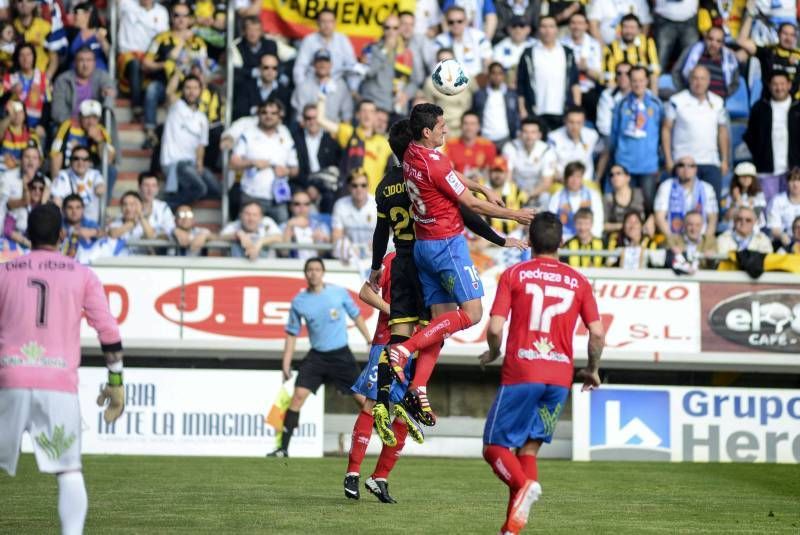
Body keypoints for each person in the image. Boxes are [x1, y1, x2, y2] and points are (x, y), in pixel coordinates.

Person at [376, 103, 533, 433]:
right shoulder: (435, 162)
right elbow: (471, 207)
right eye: (442, 126)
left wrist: (479, 184)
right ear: (427, 132)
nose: (447, 130)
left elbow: (450, 176)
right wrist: (515, 215)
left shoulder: (410, 157)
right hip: (448, 247)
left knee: (441, 324)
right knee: (473, 313)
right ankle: (404, 349)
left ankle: (418, 386)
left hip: (422, 248)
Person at [0, 203, 124, 535]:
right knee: (68, 469)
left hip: (8, 379)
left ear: (26, 235)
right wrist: (116, 382)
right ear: (61, 234)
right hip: (58, 384)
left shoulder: (4, 273)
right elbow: (109, 332)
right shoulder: (82, 274)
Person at [480, 211, 605, 535]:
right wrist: (591, 369)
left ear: (530, 241)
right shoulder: (579, 281)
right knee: (529, 450)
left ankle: (524, 486)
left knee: (494, 447)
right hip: (559, 379)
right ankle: (511, 531)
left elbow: (495, 328)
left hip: (522, 371)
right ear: (562, 242)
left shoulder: (514, 274)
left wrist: (493, 353)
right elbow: (597, 332)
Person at [269, 257, 372, 457]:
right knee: (297, 397)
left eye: (317, 269)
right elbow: (291, 333)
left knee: (363, 400)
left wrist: (369, 340)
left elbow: (356, 316)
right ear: (305, 273)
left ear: (323, 272)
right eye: (309, 269)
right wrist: (286, 364)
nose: (313, 273)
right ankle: (283, 449)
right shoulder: (299, 301)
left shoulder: (338, 293)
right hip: (316, 357)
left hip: (341, 355)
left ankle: (386, 440)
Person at [344, 251, 422, 504]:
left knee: (408, 413)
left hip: (418, 346)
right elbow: (366, 293)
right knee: (372, 403)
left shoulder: (433, 258)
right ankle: (353, 473)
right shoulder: (391, 259)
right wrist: (396, 312)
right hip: (387, 341)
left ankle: (379, 477)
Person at [141, 1, 208, 148]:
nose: (181, 19)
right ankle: (150, 131)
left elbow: (204, 67)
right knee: (152, 89)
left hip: (189, 86)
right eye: (177, 15)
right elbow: (146, 63)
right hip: (164, 82)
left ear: (190, 18)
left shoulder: (198, 42)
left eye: (185, 16)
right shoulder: (161, 38)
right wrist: (163, 64)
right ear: (171, 17)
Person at [662, 65, 730, 203]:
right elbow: (666, 129)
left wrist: (724, 159)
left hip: (710, 162)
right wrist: (668, 159)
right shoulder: (677, 101)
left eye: (702, 79)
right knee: (680, 206)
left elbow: (722, 131)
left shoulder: (718, 102)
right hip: (683, 162)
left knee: (711, 207)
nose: (699, 82)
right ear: (690, 80)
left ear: (709, 81)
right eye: (695, 78)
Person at [230, 99, 299, 224]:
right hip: (251, 196)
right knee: (248, 235)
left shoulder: (285, 134)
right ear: (258, 114)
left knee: (281, 235)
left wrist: (286, 171)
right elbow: (233, 162)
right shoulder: (248, 134)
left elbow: (295, 169)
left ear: (280, 115)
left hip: (278, 197)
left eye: (273, 113)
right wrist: (252, 162)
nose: (269, 116)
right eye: (264, 112)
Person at [160, 73, 220, 209]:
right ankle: (166, 206)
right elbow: (169, 92)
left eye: (195, 88)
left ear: (201, 90)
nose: (191, 91)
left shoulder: (202, 118)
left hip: (192, 164)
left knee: (217, 190)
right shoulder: (176, 107)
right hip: (174, 162)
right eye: (187, 87)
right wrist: (179, 69)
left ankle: (181, 193)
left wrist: (199, 163)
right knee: (200, 189)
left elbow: (201, 145)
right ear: (182, 90)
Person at [608, 66, 663, 211]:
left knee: (648, 206)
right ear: (629, 81)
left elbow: (662, 134)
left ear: (647, 81)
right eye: (634, 81)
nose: (638, 84)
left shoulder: (656, 105)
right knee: (625, 206)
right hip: (625, 165)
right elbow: (614, 134)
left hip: (648, 165)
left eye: (641, 80)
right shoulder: (621, 105)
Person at [517, 16, 581, 132]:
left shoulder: (567, 53)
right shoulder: (528, 54)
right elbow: (521, 85)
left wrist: (576, 109)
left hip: (562, 110)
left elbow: (575, 83)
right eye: (544, 26)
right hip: (536, 110)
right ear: (539, 29)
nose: (547, 30)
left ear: (557, 29)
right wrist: (522, 110)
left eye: (551, 26)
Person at [743, 72, 800, 203]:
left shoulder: (798, 108)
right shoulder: (759, 108)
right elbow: (750, 136)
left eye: (782, 84)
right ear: (769, 86)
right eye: (775, 84)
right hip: (767, 171)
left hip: (794, 171)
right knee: (768, 208)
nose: (779, 88)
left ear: (789, 85)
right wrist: (760, 157)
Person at [317, 97, 391, 194]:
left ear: (375, 116)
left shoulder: (385, 144)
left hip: (372, 200)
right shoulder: (349, 133)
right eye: (364, 111)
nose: (367, 115)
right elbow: (321, 120)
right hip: (348, 196)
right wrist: (321, 100)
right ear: (357, 115)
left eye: (371, 111)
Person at [117, 0, 170, 119]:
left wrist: (150, 60)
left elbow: (164, 38)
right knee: (135, 64)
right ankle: (137, 106)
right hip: (127, 55)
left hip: (150, 56)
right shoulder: (127, 4)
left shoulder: (162, 12)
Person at [654, 156, 718, 240]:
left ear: (696, 169)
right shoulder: (666, 186)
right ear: (676, 169)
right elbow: (660, 218)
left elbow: (712, 219)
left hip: (701, 238)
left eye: (691, 165)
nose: (686, 168)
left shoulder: (707, 188)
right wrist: (672, 239)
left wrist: (706, 240)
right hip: (674, 237)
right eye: (681, 165)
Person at [292, 8, 358, 91]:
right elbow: (299, 68)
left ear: (335, 23)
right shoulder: (309, 40)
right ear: (318, 23)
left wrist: (353, 89)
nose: (327, 25)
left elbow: (352, 67)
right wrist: (302, 89)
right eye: (323, 21)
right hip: (313, 85)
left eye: (330, 21)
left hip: (337, 86)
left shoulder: (342, 40)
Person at [738, 16, 800, 100]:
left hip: (794, 106)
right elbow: (742, 41)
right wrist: (750, 15)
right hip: (769, 103)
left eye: (792, 35)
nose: (788, 38)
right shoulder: (768, 51)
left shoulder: (798, 55)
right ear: (778, 34)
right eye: (785, 34)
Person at [51, 46, 115, 127]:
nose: (85, 65)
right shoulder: (63, 80)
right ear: (75, 63)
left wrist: (107, 92)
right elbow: (57, 112)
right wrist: (78, 125)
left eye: (89, 60)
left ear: (94, 63)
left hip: (95, 126)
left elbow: (110, 89)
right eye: (81, 60)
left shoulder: (102, 76)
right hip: (69, 126)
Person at [501, 117, 557, 208]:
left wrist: (529, 195)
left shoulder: (547, 150)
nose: (529, 136)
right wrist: (517, 194)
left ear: (539, 135)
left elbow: (547, 182)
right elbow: (508, 176)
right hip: (515, 188)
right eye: (525, 132)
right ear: (520, 134)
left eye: (533, 132)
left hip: (538, 190)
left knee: (546, 197)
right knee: (505, 191)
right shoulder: (510, 147)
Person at [672, 26, 739, 98]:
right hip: (692, 101)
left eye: (718, 41)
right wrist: (684, 92)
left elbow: (735, 82)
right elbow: (676, 71)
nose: (713, 44)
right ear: (705, 39)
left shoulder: (729, 59)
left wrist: (725, 95)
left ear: (722, 44)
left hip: (717, 104)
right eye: (710, 39)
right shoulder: (693, 52)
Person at [561, 12, 604, 122]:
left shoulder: (595, 45)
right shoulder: (561, 44)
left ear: (586, 26)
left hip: (589, 91)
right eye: (573, 23)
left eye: (580, 23)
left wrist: (585, 69)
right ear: (569, 25)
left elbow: (600, 76)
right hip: (567, 92)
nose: (576, 26)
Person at [290, 49, 352, 125]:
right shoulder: (304, 86)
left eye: (325, 61)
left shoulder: (341, 86)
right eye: (319, 61)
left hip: (334, 131)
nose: (322, 64)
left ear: (331, 64)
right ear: (314, 64)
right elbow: (300, 119)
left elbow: (347, 116)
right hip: (310, 129)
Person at [602, 14, 660, 94]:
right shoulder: (610, 49)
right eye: (626, 27)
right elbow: (609, 80)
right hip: (620, 92)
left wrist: (654, 97)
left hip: (644, 90)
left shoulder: (647, 43)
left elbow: (654, 72)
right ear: (620, 29)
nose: (629, 31)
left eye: (632, 28)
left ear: (639, 30)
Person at [548, 161, 604, 240]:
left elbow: (598, 220)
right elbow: (551, 221)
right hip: (563, 240)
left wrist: (592, 239)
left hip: (588, 241)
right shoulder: (557, 196)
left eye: (578, 176)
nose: (574, 180)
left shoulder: (593, 195)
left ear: (582, 178)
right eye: (571, 176)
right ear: (566, 178)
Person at [50, 145, 105, 225]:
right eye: (76, 159)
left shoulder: (95, 174)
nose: (80, 162)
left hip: (90, 225)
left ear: (90, 162)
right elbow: (57, 201)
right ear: (71, 161)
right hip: (68, 224)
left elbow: (101, 188)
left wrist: (99, 189)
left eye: (85, 159)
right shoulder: (63, 176)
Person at [470, 62, 519, 149]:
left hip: (505, 138)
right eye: (493, 73)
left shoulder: (511, 94)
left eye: (500, 73)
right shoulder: (479, 94)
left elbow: (515, 115)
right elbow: (475, 114)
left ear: (504, 76)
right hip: (485, 138)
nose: (497, 76)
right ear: (488, 75)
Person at [331, 169, 376, 262]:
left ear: (368, 187)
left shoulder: (377, 203)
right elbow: (336, 235)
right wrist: (351, 249)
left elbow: (389, 232)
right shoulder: (340, 205)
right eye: (355, 185)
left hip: (375, 253)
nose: (359, 189)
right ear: (349, 187)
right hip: (349, 255)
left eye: (363, 185)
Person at [434, 6, 492, 78]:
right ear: (447, 22)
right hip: (451, 80)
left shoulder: (479, 36)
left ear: (466, 21)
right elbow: (437, 66)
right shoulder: (440, 40)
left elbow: (488, 62)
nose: (455, 25)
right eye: (451, 22)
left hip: (475, 79)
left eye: (459, 21)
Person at [233, 52, 291, 122]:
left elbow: (285, 117)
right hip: (248, 127)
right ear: (259, 68)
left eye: (274, 68)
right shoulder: (245, 87)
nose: (270, 71)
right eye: (266, 67)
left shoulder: (284, 91)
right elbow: (239, 112)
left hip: (272, 130)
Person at [548, 107, 599, 181]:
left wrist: (598, 177)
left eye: (579, 122)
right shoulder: (553, 137)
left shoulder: (592, 135)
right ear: (565, 121)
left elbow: (605, 151)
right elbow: (550, 163)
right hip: (561, 181)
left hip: (586, 181)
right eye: (571, 122)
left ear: (584, 122)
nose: (575, 127)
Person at [444, 111, 497, 178]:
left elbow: (490, 172)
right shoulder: (450, 145)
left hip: (480, 184)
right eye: (466, 124)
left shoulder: (488, 146)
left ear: (478, 126)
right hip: (457, 184)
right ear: (460, 126)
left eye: (473, 124)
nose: (469, 128)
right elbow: (447, 171)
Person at [281, 189, 330, 260]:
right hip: (292, 267)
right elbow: (284, 253)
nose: (302, 207)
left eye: (306, 204)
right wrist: (289, 227)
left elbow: (325, 254)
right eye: (297, 204)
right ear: (290, 207)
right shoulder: (283, 226)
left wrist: (325, 241)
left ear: (310, 206)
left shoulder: (321, 226)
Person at [720, 162, 767, 232]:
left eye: (749, 176)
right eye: (742, 176)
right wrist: (735, 200)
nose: (746, 178)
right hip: (734, 230)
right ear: (737, 178)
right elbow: (727, 217)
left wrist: (739, 201)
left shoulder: (759, 194)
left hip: (754, 231)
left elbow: (754, 215)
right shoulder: (729, 195)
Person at [653, 0, 700, 70]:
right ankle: (656, 79)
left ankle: (684, 80)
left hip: (689, 19)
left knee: (691, 57)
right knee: (660, 57)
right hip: (664, 18)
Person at [603, 163, 648, 236]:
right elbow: (603, 225)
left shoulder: (640, 194)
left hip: (640, 237)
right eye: (612, 175)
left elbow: (651, 213)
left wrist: (650, 221)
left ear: (628, 177)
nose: (615, 177)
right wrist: (626, 226)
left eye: (618, 173)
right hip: (616, 239)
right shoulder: (607, 199)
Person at [767, 167, 800, 249]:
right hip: (785, 243)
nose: (795, 184)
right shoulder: (777, 201)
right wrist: (782, 236)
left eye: (799, 180)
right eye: (792, 180)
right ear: (787, 182)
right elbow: (774, 228)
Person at [61, 193, 100, 257]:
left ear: (83, 209)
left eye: (78, 207)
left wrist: (94, 232)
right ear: (63, 210)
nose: (74, 211)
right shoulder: (58, 224)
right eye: (70, 208)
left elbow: (105, 234)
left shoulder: (90, 224)